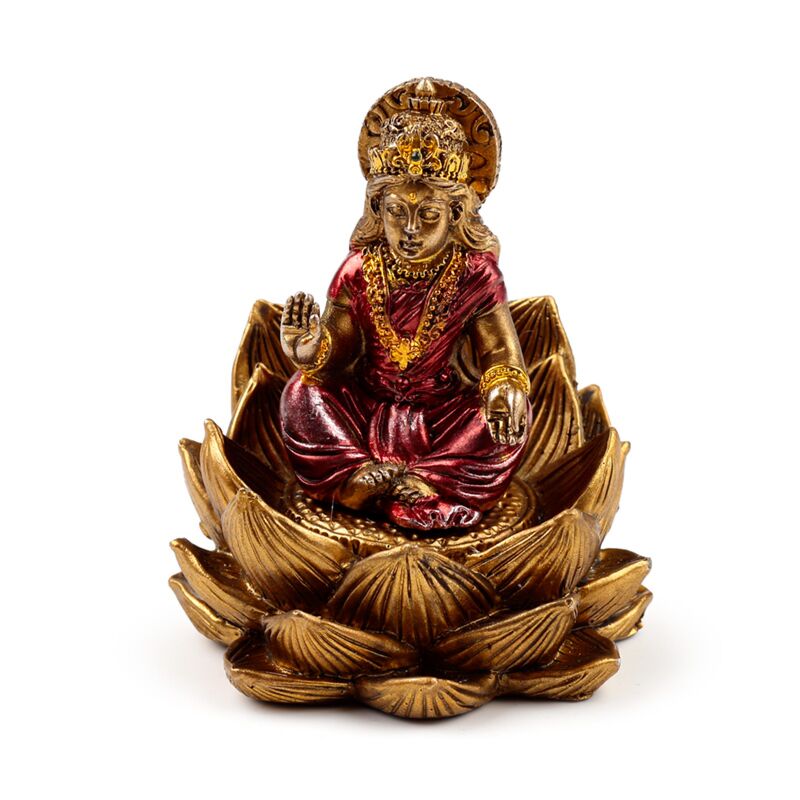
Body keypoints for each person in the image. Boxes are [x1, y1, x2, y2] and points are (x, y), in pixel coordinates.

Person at [279, 79, 531, 530]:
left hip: (441, 415)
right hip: (366, 407)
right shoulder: (359, 269)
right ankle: (354, 479)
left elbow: (499, 353)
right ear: (378, 208)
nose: (410, 230)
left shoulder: (475, 274)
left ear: (456, 214)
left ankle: (425, 481)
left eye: (428, 215)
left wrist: (503, 388)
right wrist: (309, 348)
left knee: (509, 419)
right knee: (300, 393)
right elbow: (337, 355)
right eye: (397, 212)